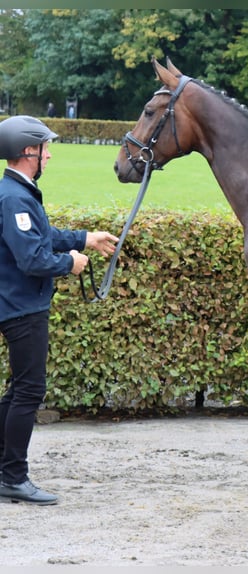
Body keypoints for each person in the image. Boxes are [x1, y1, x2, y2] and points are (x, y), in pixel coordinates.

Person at [0, 115, 118, 505]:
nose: (49, 155)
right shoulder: (15, 197)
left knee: (18, 390)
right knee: (29, 391)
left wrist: (85, 238)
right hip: (22, 308)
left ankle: (6, 469)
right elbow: (33, 258)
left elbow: (42, 235)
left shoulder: (19, 191)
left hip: (20, 304)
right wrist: (71, 263)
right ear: (27, 152)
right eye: (44, 149)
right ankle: (13, 477)